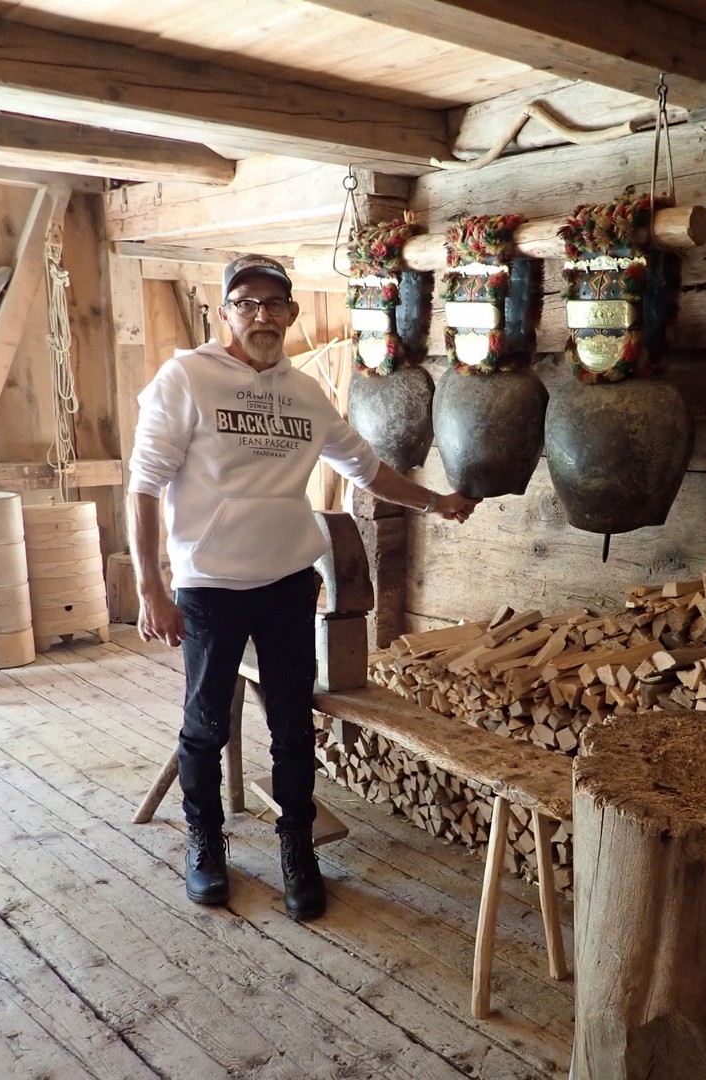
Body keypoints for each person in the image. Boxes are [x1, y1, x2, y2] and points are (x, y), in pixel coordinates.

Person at [127, 253, 479, 919]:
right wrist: (152, 588)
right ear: (225, 312)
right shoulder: (187, 378)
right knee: (205, 724)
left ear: (290, 313)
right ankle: (205, 843)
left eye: (274, 303)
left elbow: (366, 469)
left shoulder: (306, 393)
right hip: (210, 586)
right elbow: (143, 486)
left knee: (292, 724)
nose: (261, 315)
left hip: (288, 583)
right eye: (246, 303)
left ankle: (298, 848)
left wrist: (435, 502)